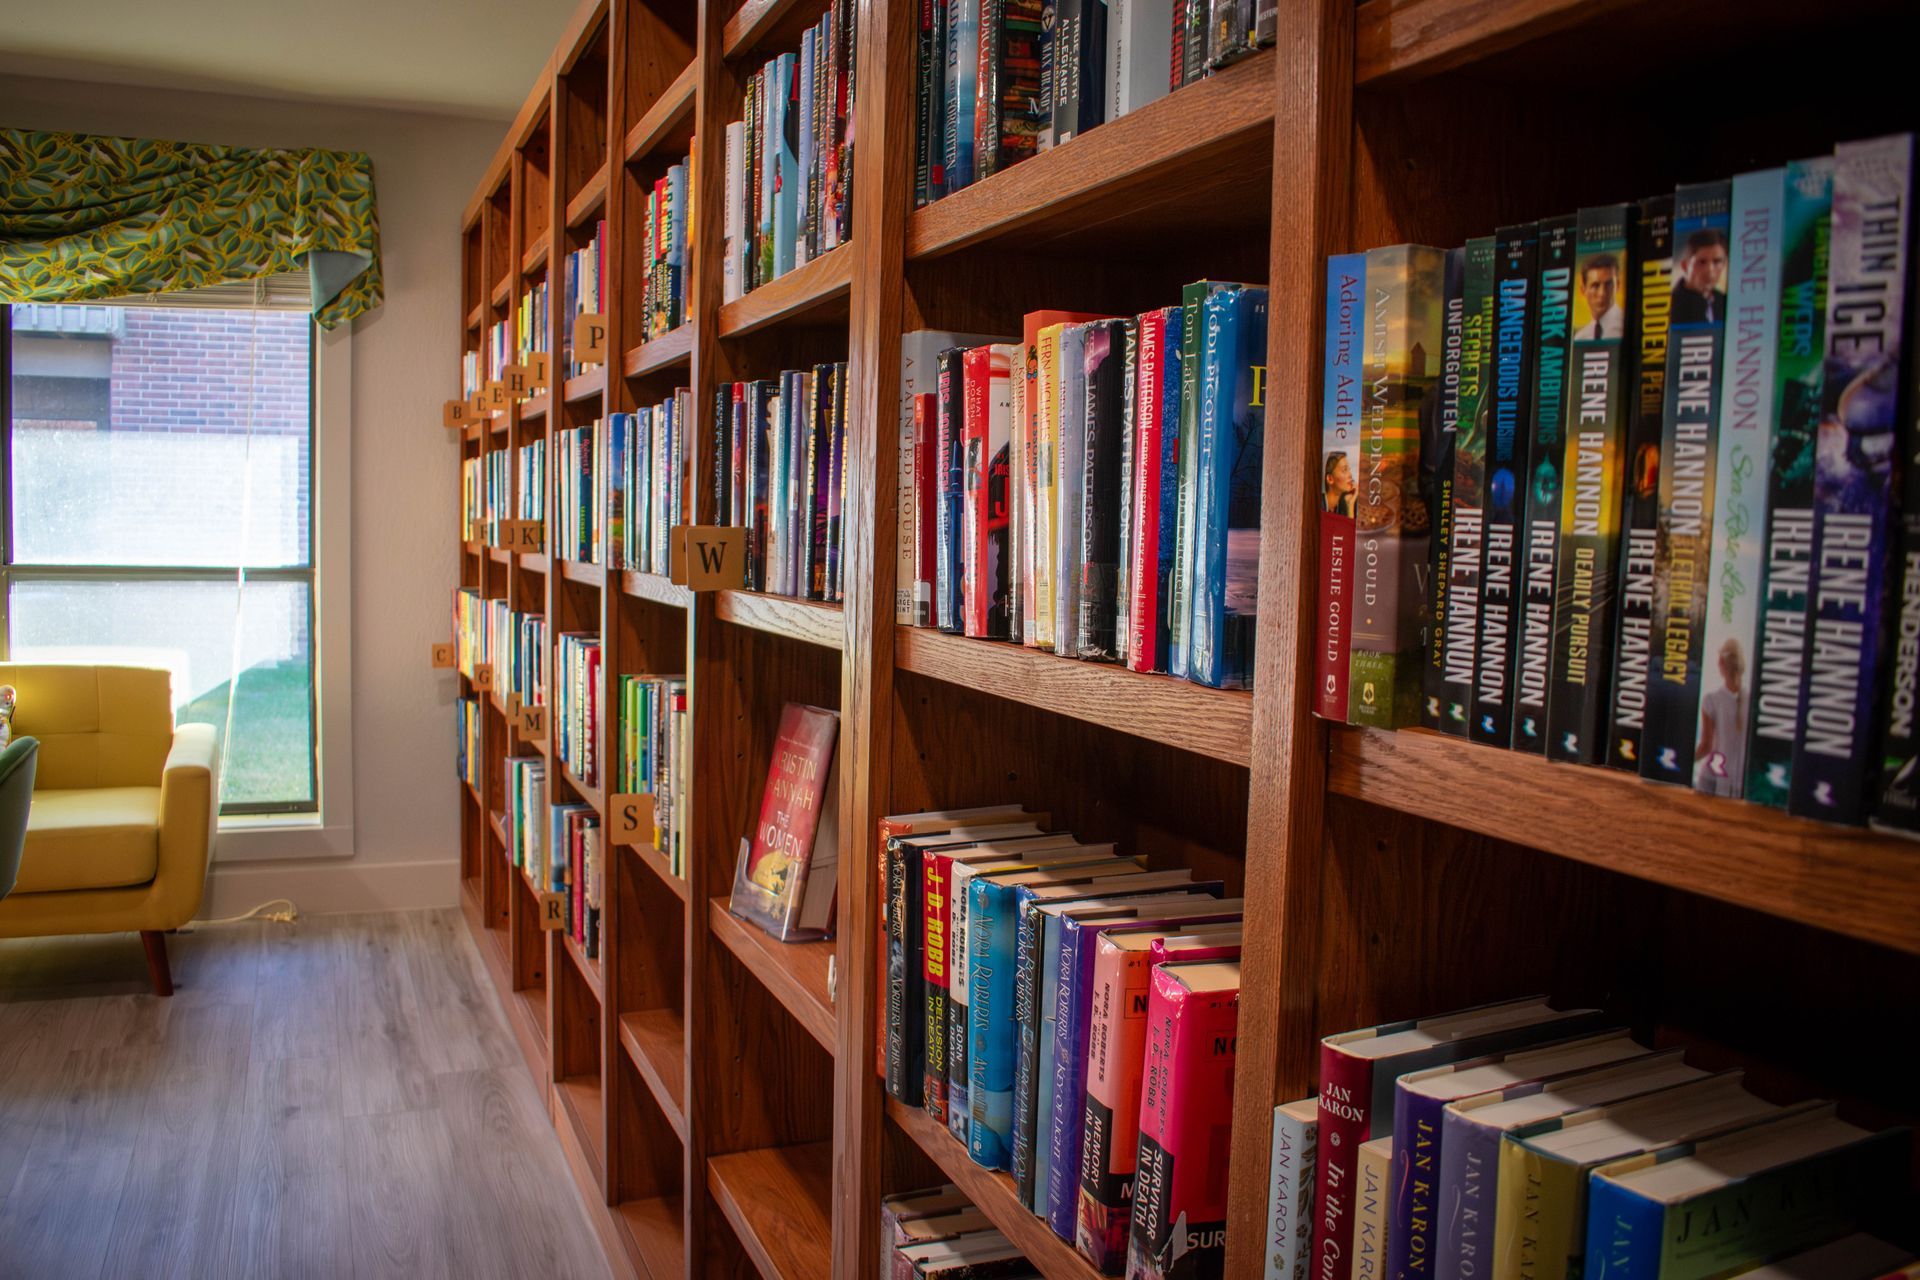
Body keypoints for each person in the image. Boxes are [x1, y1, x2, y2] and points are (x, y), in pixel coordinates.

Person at [1694, 637, 1747, 796]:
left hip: (1712, 779)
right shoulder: (1753, 702)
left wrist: (1682, 763)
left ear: (1722, 663)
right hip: (1740, 783)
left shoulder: (1711, 700)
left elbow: (1705, 747)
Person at [1670, 226, 1728, 325]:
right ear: (1685, 266)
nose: (1710, 270)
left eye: (1717, 261)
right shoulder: (1671, 305)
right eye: (1701, 262)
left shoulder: (1724, 302)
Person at [1576, 254, 1624, 340]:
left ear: (1618, 285)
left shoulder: (1628, 327)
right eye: (1595, 285)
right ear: (1583, 290)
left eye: (1609, 284)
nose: (1602, 293)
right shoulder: (1581, 337)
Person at [1324, 451, 1355, 517]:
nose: (1350, 475)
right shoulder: (1319, 505)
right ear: (1330, 479)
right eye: (1345, 470)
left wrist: (1350, 505)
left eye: (1349, 470)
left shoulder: (1342, 506)